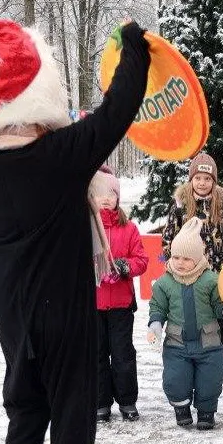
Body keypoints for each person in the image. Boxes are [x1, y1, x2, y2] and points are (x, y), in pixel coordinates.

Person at [0, 19, 149, 444]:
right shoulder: (62, 154)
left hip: (11, 304)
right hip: (61, 301)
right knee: (72, 398)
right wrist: (134, 47)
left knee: (25, 394)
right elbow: (117, 110)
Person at [148, 218, 223, 430]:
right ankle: (181, 408)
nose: (180, 262)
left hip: (209, 344)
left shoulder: (211, 280)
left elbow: (219, 304)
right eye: (176, 257)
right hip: (177, 345)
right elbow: (158, 307)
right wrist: (155, 324)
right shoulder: (164, 283)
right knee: (175, 379)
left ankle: (206, 412)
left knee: (210, 380)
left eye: (187, 258)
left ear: (198, 258)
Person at [161, 152, 223, 371]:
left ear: (214, 181)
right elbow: (168, 239)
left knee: (220, 321)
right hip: (188, 278)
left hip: (218, 277)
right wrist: (173, 266)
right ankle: (192, 361)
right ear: (191, 179)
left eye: (207, 179)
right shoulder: (180, 207)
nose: (202, 183)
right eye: (198, 178)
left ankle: (220, 364)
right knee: (193, 321)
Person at [91, 165, 148, 423]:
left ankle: (127, 400)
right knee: (97, 354)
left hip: (121, 305)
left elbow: (142, 260)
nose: (105, 198)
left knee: (123, 353)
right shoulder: (85, 227)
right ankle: (100, 402)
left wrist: (123, 267)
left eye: (110, 193)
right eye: (99, 193)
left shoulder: (129, 228)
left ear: (118, 198)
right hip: (93, 305)